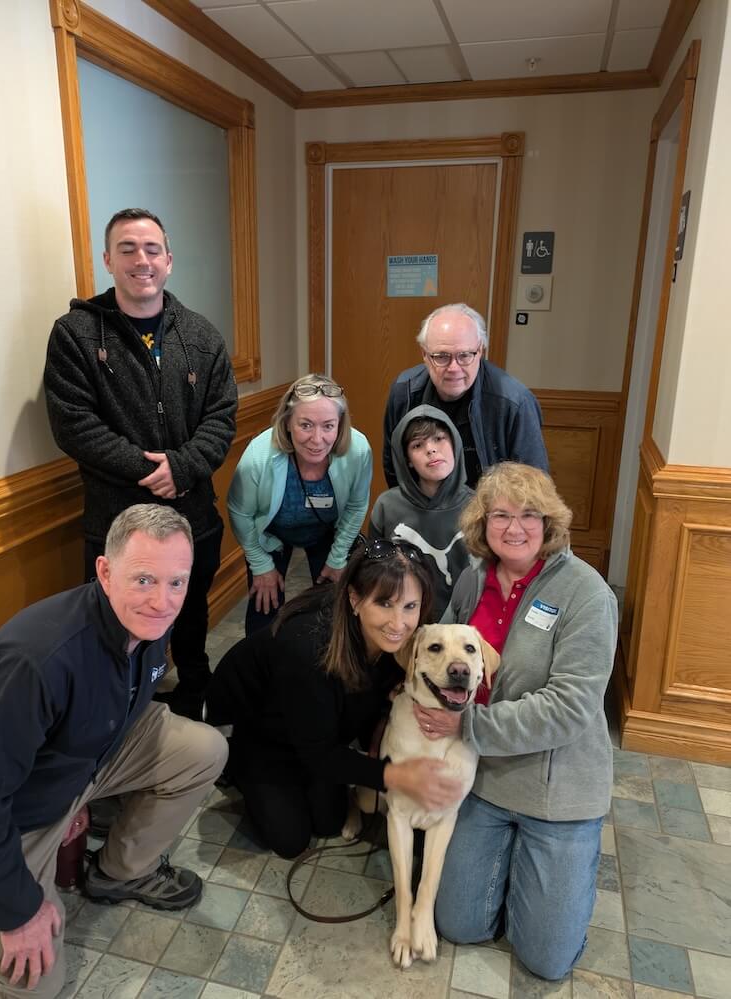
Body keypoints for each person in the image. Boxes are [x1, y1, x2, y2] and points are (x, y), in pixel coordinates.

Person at [0, 505, 228, 999]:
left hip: (83, 759)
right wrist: (18, 913)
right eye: (144, 579)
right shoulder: (36, 661)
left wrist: (82, 794)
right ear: (105, 571)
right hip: (17, 811)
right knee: (33, 982)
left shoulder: (150, 621)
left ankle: (121, 873)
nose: (162, 601)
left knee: (204, 748)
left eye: (177, 582)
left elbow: (123, 701)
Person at [415, 462, 618, 981]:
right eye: (500, 515)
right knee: (457, 924)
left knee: (546, 959)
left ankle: (555, 873)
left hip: (556, 788)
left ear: (549, 523)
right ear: (482, 523)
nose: (514, 527)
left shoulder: (587, 594)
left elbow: (569, 708)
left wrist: (468, 727)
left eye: (529, 515)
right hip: (484, 777)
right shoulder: (472, 580)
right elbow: (440, 659)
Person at [44, 208, 238, 721]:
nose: (141, 260)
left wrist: (182, 466)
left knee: (190, 615)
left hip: (192, 516)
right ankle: (114, 722)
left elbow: (222, 416)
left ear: (169, 260)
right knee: (114, 630)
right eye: (127, 249)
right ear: (108, 260)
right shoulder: (75, 335)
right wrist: (149, 470)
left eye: (152, 249)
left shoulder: (201, 336)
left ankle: (193, 695)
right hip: (115, 523)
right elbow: (73, 425)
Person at [204, 538, 464, 859]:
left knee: (329, 822)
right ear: (354, 598)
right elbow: (319, 751)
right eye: (384, 603)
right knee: (290, 840)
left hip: (317, 725)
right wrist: (395, 776)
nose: (399, 624)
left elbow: (374, 700)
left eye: (410, 606)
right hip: (259, 729)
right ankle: (236, 769)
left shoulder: (403, 638)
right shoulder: (308, 648)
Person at [228, 374, 372, 635]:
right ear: (287, 423)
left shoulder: (358, 450)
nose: (317, 439)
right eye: (305, 425)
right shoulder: (258, 456)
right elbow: (240, 511)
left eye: (328, 426)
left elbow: (356, 505)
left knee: (334, 611)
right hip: (271, 532)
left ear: (340, 425)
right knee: (264, 609)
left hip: (328, 530)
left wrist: (338, 556)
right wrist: (260, 564)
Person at [383, 303, 548, 490]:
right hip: (423, 505)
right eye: (441, 356)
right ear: (425, 355)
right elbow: (395, 469)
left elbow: (533, 487)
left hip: (489, 506)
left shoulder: (515, 402)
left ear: (480, 351)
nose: (454, 368)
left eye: (465, 355)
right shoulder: (404, 393)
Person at [370, 404, 473, 620]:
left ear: (455, 443)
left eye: (439, 438)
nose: (431, 449)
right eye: (417, 445)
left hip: (463, 625)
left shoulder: (479, 505)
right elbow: (375, 573)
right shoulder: (387, 506)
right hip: (402, 621)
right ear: (406, 458)